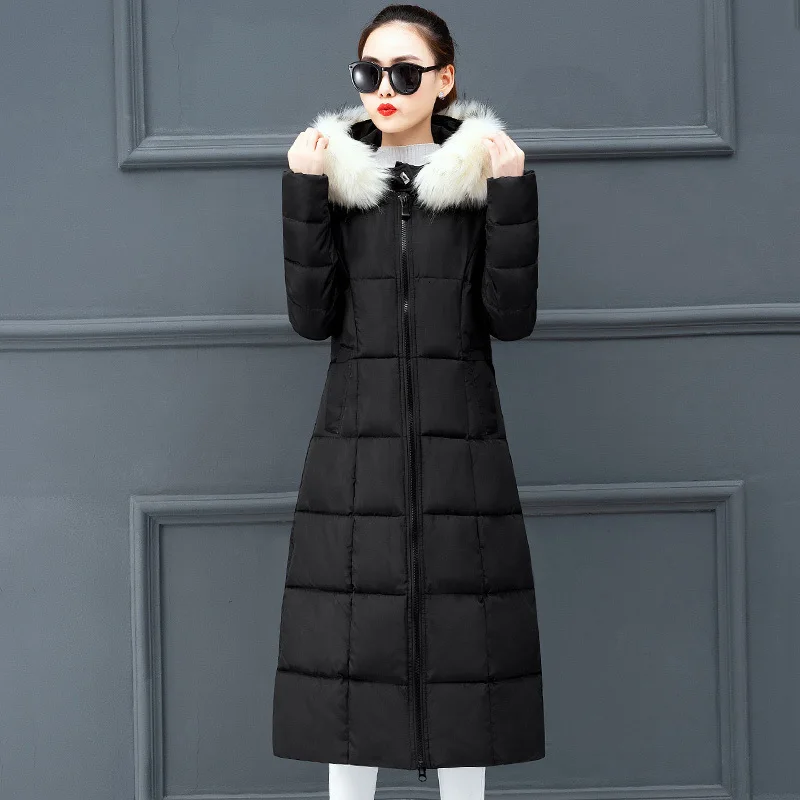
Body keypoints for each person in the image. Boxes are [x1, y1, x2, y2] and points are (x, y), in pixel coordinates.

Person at [272, 5, 545, 799]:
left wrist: (511, 197)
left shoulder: (483, 175)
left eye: (404, 72)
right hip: (352, 453)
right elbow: (311, 319)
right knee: (349, 658)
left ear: (444, 79)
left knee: (466, 654)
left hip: (464, 448)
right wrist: (303, 195)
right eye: (369, 73)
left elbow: (510, 320)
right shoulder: (334, 177)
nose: (383, 89)